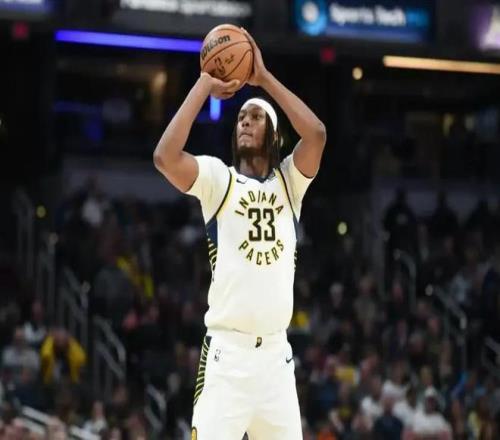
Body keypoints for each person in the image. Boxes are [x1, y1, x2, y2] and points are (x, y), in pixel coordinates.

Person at [153, 28, 326, 440]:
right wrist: (203, 84)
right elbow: (164, 157)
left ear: (274, 134)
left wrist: (262, 78)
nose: (245, 121)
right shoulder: (219, 179)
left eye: (256, 117)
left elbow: (317, 134)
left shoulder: (289, 183)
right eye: (242, 118)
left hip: (276, 362)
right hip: (227, 358)